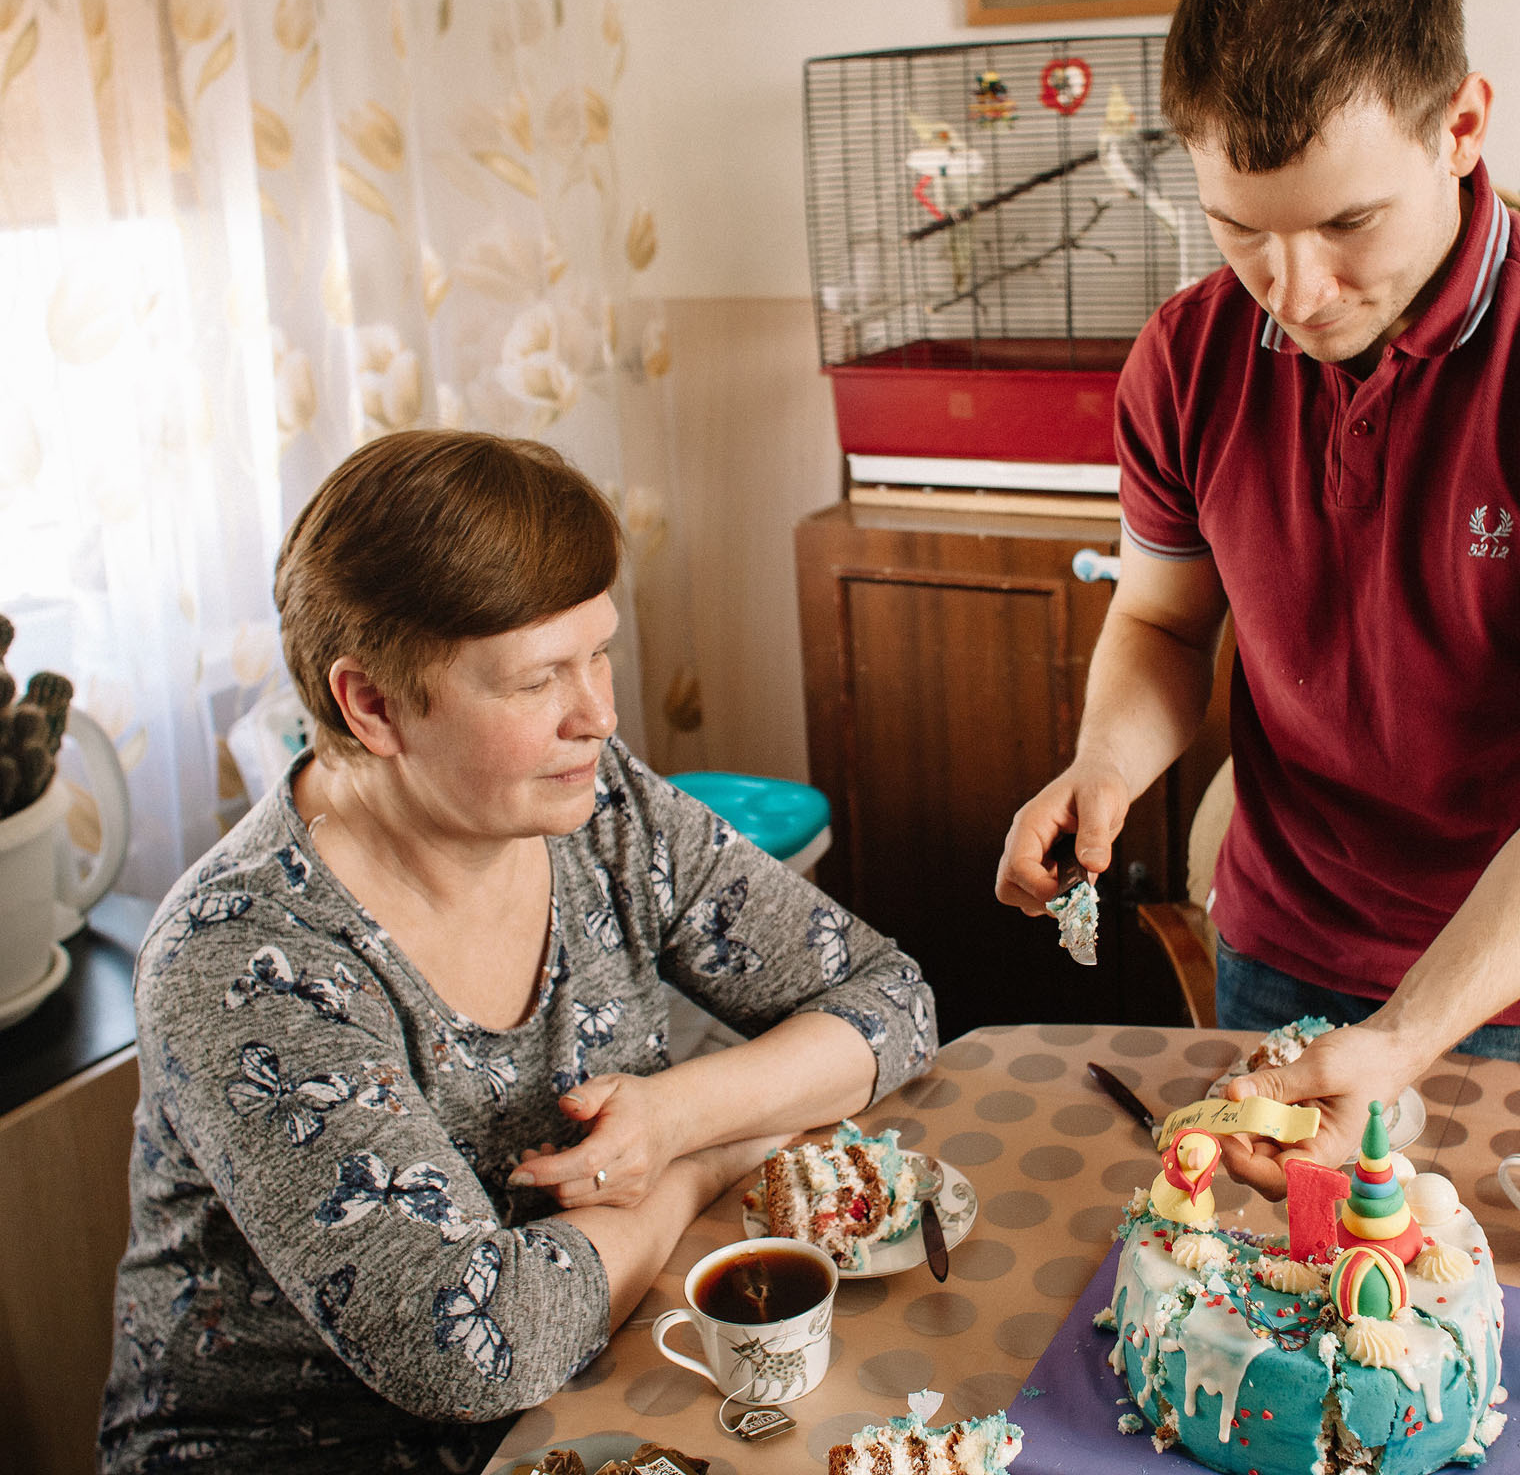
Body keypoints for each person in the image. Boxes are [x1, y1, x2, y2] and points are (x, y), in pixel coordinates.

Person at [994, 0, 1520, 1186]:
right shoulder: (1186, 357)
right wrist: (1105, 765)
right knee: (1290, 1348)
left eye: (1347, 224)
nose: (1291, 289)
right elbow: (1166, 623)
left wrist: (1403, 1037)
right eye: (1241, 229)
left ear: (1461, 127)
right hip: (1281, 958)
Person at [100, 431, 935, 1472]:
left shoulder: (601, 806)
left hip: (579, 1394)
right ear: (373, 704)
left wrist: (675, 1112)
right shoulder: (239, 959)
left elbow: (892, 999)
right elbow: (475, 1348)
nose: (600, 712)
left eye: (599, 651)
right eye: (540, 678)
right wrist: (698, 1164)